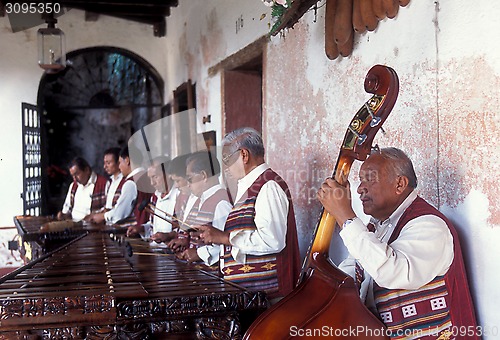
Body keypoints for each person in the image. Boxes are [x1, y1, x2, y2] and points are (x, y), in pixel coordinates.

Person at [317, 147, 478, 339]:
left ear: (400, 184)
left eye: (370, 179)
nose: (360, 188)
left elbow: (392, 272)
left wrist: (345, 217)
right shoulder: (377, 226)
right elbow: (355, 269)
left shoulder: (429, 225)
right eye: (360, 181)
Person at [196, 127, 301, 300]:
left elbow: (272, 240)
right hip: (252, 296)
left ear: (244, 155)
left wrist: (224, 237)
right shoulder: (250, 188)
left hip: (270, 296)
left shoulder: (268, 186)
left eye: (227, 160)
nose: (226, 168)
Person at [168, 151, 232, 267]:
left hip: (212, 274)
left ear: (203, 176)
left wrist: (199, 253)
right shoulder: (200, 200)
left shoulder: (221, 202)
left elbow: (226, 244)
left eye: (190, 179)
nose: (188, 184)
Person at [90, 146, 148, 224]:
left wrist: (103, 216)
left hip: (135, 231)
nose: (119, 167)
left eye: (120, 162)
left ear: (127, 160)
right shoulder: (148, 176)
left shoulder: (131, 183)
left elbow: (120, 213)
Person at [126, 156, 177, 243]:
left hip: (172, 252)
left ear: (168, 174)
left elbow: (185, 231)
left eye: (155, 177)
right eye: (150, 178)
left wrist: (168, 236)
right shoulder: (155, 196)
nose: (152, 183)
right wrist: (141, 228)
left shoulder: (179, 196)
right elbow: (153, 226)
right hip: (156, 250)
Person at [57, 157, 108, 222]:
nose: (75, 179)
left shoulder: (103, 184)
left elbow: (108, 210)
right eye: (72, 176)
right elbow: (67, 209)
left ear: (87, 170)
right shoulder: (73, 186)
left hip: (93, 227)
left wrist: (93, 216)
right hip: (74, 226)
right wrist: (63, 215)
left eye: (77, 174)